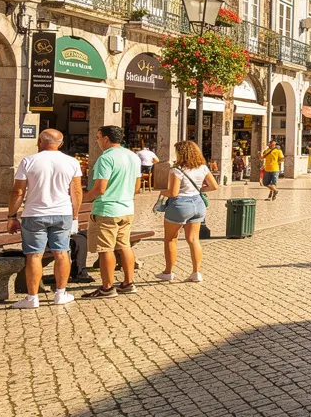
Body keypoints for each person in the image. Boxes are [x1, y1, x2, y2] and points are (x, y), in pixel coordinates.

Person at [6, 129, 82, 309]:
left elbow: (17, 192)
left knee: (34, 255)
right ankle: (60, 294)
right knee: (62, 253)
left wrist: (11, 215)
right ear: (61, 143)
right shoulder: (72, 162)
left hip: (34, 214)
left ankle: (32, 298)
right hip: (62, 213)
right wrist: (75, 216)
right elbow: (77, 192)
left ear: (40, 141)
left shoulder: (29, 161)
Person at [81, 125, 140, 299]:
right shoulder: (132, 156)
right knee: (124, 245)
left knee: (105, 248)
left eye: (98, 137)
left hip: (107, 209)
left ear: (106, 139)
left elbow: (100, 188)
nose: (97, 141)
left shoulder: (105, 158)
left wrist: (84, 198)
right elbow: (136, 187)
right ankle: (128, 282)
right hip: (127, 208)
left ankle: (107, 287)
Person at [154, 140, 216, 284]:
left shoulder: (177, 169)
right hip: (198, 205)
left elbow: (173, 192)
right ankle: (196, 272)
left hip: (180, 205)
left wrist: (162, 192)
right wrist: (200, 190)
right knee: (194, 240)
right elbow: (214, 186)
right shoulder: (202, 167)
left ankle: (168, 272)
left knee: (170, 239)